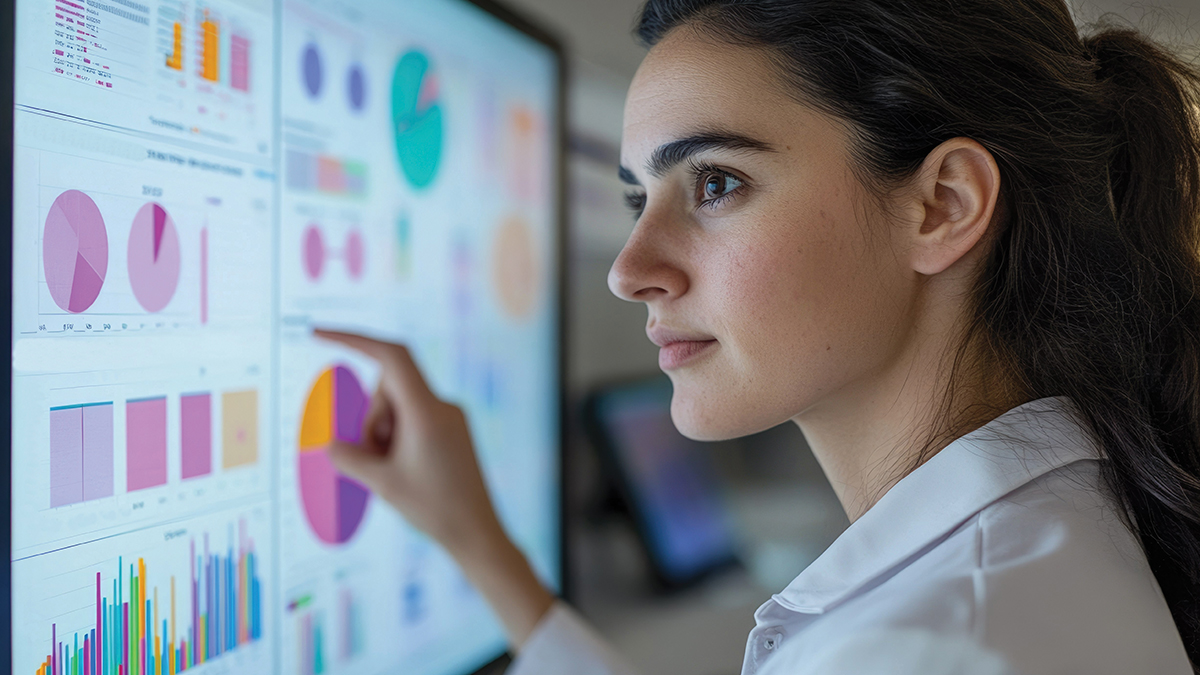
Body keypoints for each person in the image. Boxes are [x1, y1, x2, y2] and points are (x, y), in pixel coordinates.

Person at [316, 0, 1200, 672]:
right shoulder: (1060, 524)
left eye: (716, 183)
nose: (630, 268)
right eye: (638, 198)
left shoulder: (923, 645)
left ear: (942, 205)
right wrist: (483, 548)